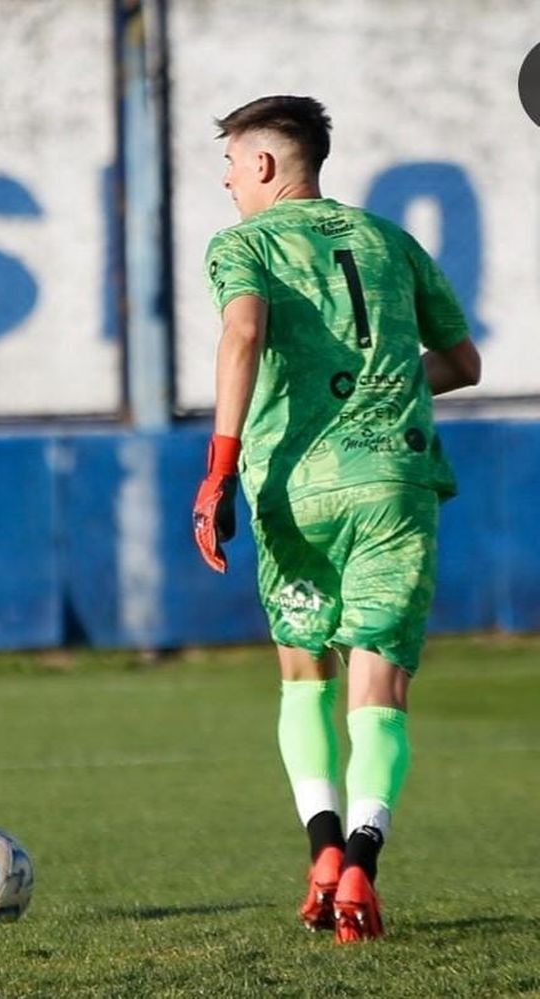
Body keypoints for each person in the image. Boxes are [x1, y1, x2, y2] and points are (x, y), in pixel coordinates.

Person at [191, 95, 482, 943]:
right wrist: (387, 380)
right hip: (396, 479)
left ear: (270, 167)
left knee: (303, 675)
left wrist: (217, 468)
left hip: (294, 487)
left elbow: (243, 330)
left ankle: (320, 849)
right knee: (380, 683)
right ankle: (361, 861)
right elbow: (462, 362)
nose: (226, 180)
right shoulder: (390, 241)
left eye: (234, 164)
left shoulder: (243, 244)